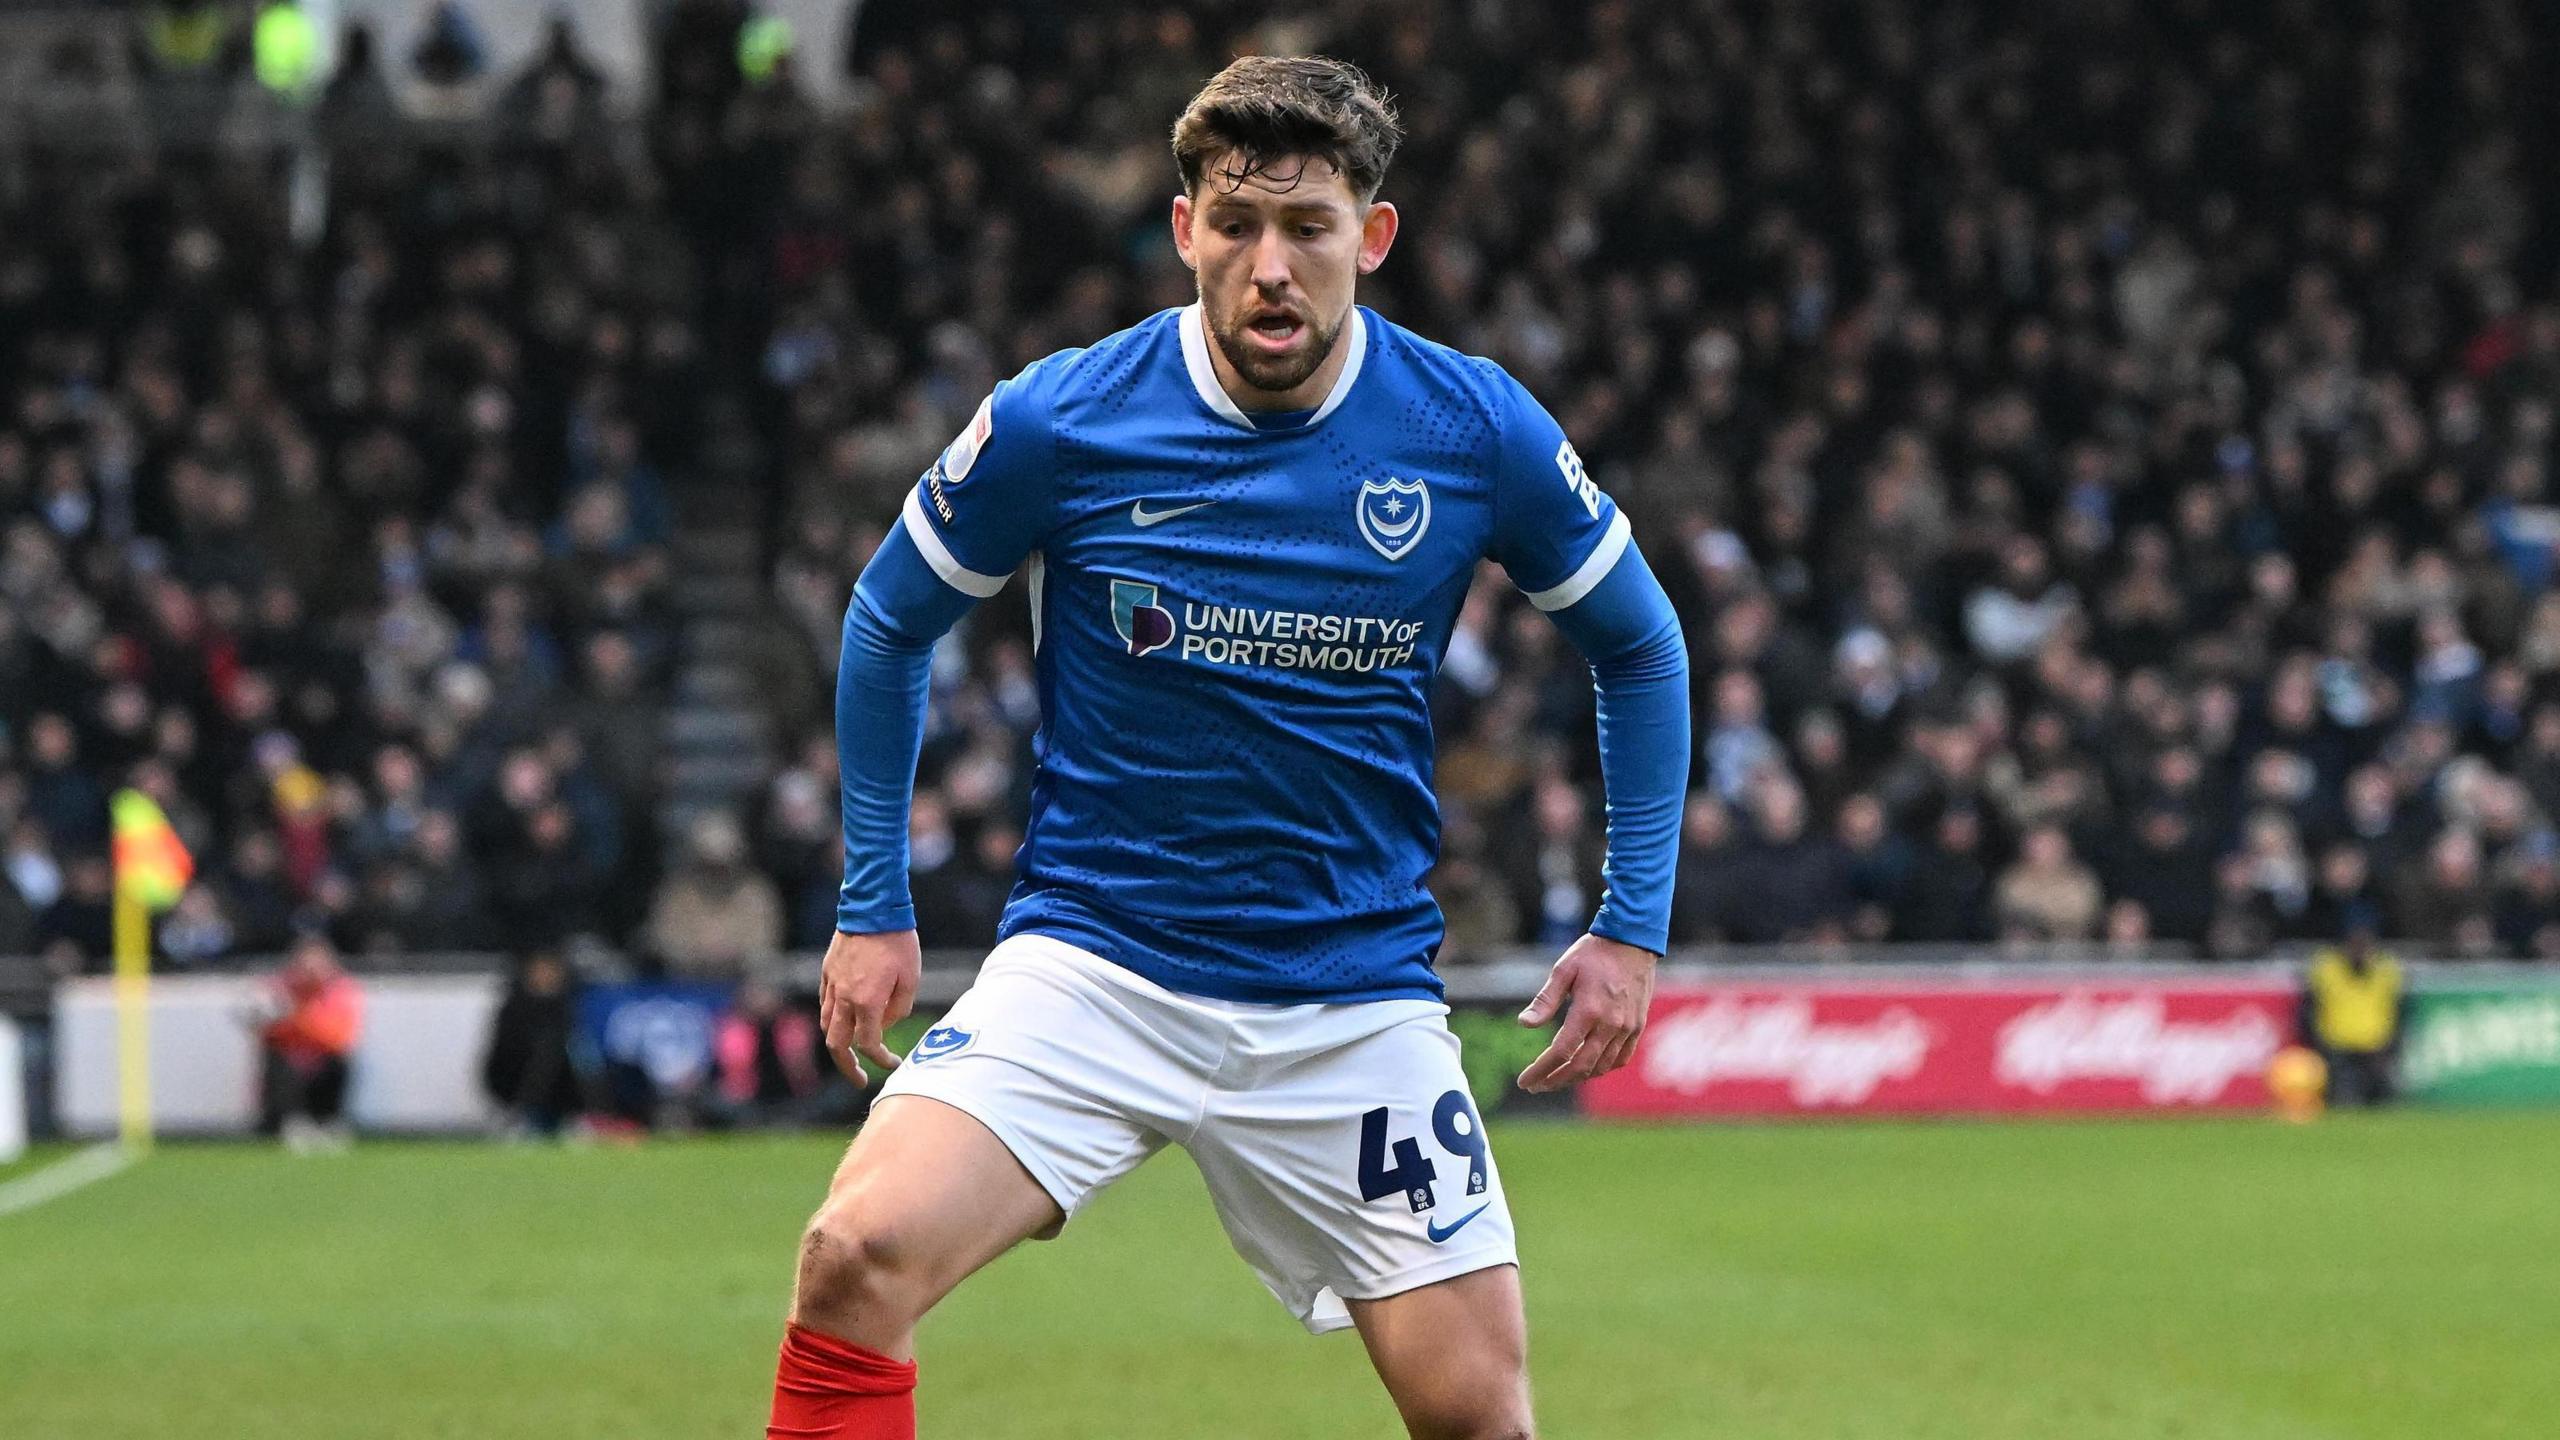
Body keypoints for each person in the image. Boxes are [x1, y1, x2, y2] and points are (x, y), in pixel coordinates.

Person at [765, 57, 1689, 1440]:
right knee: (853, 1258)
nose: (1273, 268)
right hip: (1095, 966)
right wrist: (872, 904)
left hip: (1349, 998)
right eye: (1239, 225)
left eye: (1309, 229)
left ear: (1370, 239)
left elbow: (1644, 644)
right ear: (1187, 226)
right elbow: (891, 619)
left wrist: (1632, 924)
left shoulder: (1469, 426)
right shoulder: (1061, 418)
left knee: (1474, 1412)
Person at [253, 933, 364, 1152]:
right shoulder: (278, 988)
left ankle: (328, 1121)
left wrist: (299, 1017)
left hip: (321, 1068)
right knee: (276, 1059)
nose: (311, 968)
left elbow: (339, 1037)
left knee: (339, 1062)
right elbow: (267, 1032)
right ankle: (287, 1123)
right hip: (289, 1067)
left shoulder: (341, 990)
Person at [2298, 912, 2408, 1108]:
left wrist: (2391, 1047)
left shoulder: (2387, 969)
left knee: (2384, 1101)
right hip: (2336, 1049)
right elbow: (2308, 1013)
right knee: (2343, 1099)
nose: (2360, 948)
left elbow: (2401, 1012)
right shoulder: (2326, 968)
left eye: (2365, 942)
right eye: (2355, 941)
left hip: (2376, 1049)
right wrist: (2320, 1047)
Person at [481, 950, 582, 1136]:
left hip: (562, 1086)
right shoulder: (514, 1008)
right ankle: (524, 1117)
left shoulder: (569, 1007)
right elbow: (502, 1050)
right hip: (515, 1079)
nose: (545, 977)